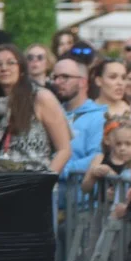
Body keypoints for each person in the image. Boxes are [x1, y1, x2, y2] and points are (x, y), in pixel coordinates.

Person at [0, 44, 71, 173]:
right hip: (1, 187)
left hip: (33, 184)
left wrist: (44, 182)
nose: (4, 68)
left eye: (11, 63)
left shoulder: (41, 97)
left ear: (22, 69)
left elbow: (64, 150)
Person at [52, 58, 108, 187]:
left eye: (65, 77)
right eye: (55, 77)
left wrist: (57, 169)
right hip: (51, 199)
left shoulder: (98, 117)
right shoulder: (53, 113)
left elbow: (97, 157)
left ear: (82, 81)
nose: (58, 82)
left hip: (81, 203)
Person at [91, 58, 131, 124]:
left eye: (123, 78)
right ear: (98, 81)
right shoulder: (87, 113)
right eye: (113, 77)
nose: (120, 83)